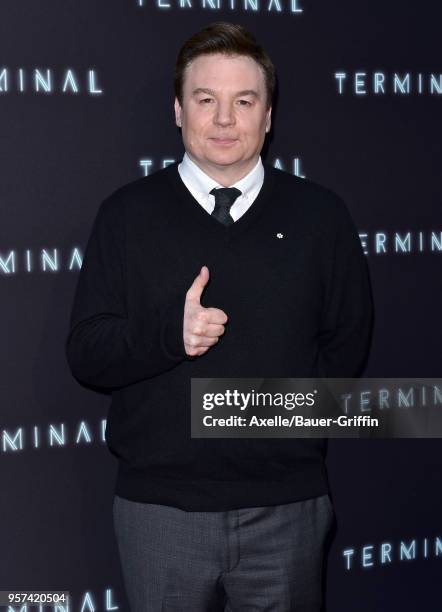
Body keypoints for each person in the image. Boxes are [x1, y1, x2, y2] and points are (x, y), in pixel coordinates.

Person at [65, 21, 373, 611]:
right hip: (160, 513)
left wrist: (272, 429)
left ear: (269, 115)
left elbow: (344, 352)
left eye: (244, 101)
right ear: (178, 111)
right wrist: (169, 336)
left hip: (288, 509)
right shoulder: (126, 216)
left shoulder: (321, 217)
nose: (225, 119)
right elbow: (87, 353)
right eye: (206, 100)